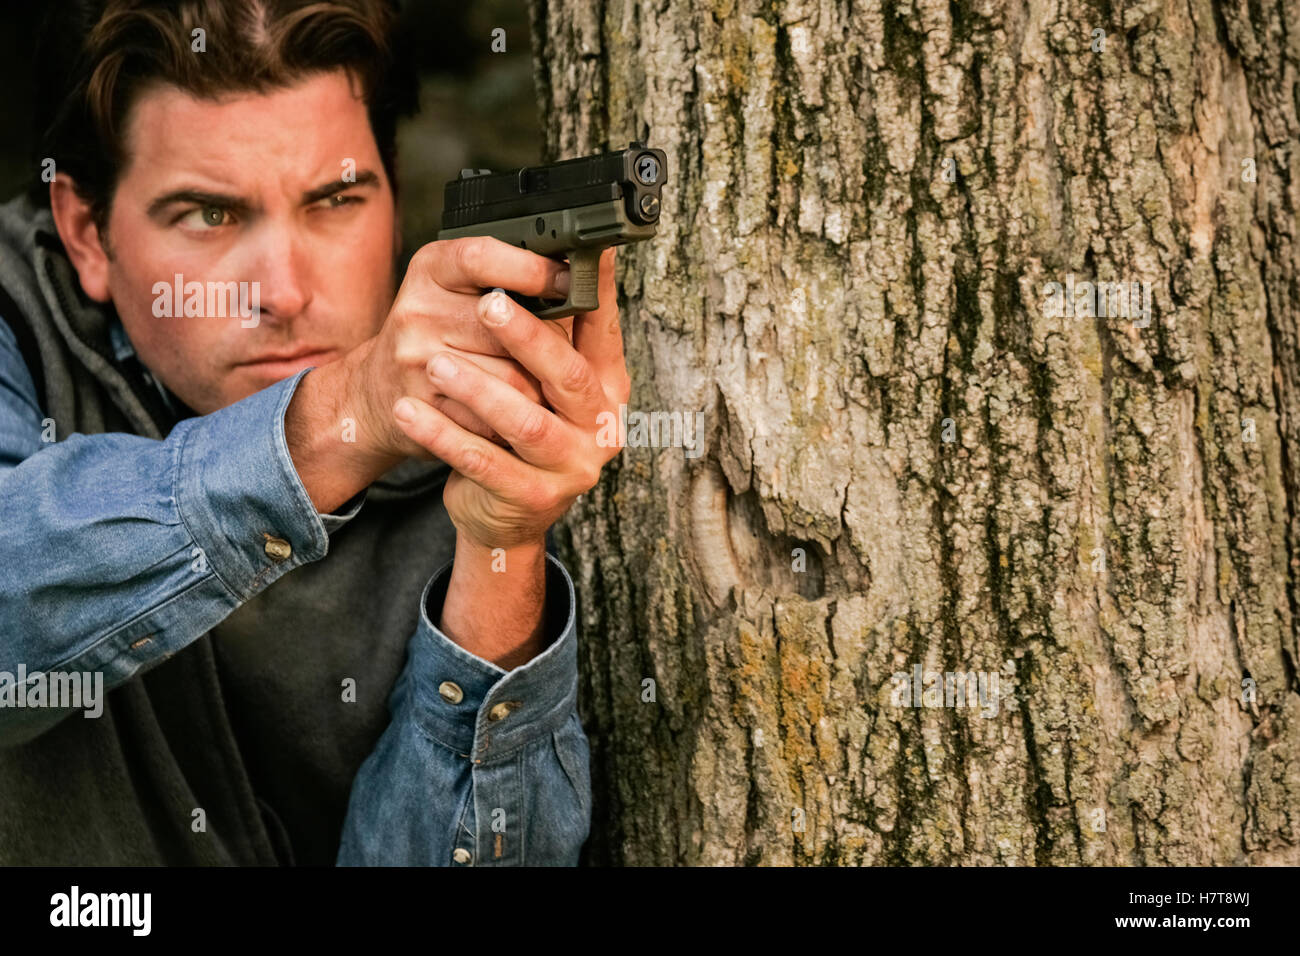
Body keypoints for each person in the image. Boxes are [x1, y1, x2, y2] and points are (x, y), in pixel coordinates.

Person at [0, 0, 630, 866]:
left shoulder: (488, 398)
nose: (285, 292)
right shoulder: (15, 320)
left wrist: (502, 544)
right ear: (86, 234)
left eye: (335, 200)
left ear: (394, 190)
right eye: (209, 216)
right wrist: (333, 422)